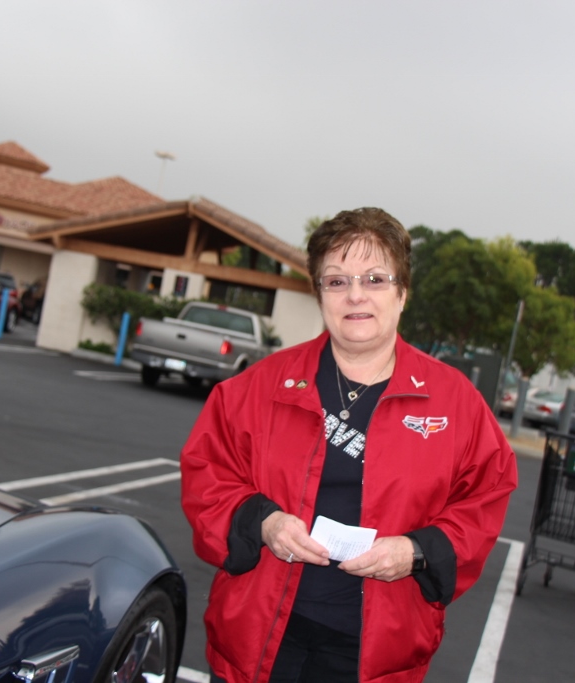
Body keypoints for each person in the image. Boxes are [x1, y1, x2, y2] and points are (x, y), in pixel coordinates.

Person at [180, 207, 518, 683]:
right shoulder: (259, 386)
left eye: (375, 279)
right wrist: (265, 522)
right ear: (319, 293)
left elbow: (485, 497)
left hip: (374, 652)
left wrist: (415, 550)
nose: (355, 295)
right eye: (336, 281)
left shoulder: (455, 402)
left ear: (402, 292)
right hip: (258, 638)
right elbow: (207, 474)